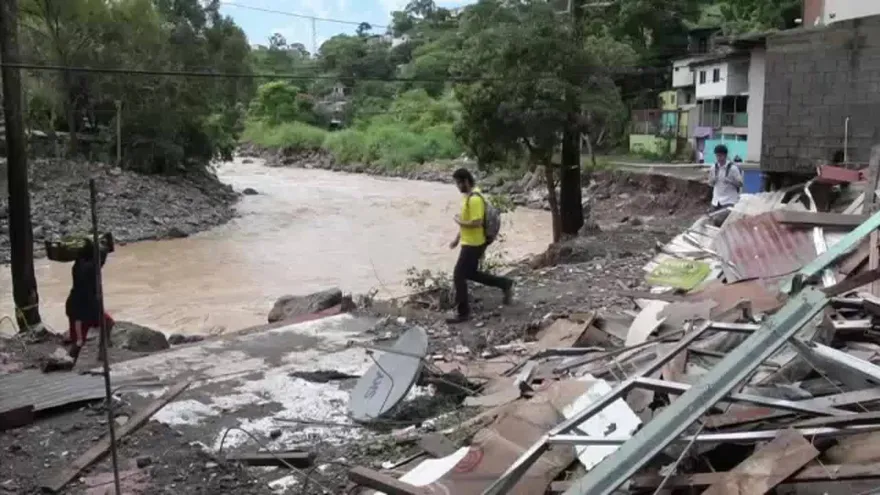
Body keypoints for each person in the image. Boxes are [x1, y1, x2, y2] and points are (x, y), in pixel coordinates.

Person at [447, 168, 514, 324]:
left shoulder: (475, 199)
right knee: (470, 273)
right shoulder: (467, 197)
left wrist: (458, 221)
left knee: (458, 275)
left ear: (466, 181)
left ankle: (463, 313)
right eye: (456, 183)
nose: (458, 186)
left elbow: (476, 222)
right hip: (468, 242)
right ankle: (505, 283)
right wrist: (457, 239)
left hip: (474, 243)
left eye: (459, 183)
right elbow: (467, 221)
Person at [65, 239, 114, 362]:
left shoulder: (78, 264)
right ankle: (67, 363)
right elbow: (100, 260)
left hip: (87, 307)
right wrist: (106, 249)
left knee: (108, 322)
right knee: (79, 342)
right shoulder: (88, 268)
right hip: (80, 311)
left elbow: (98, 261)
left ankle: (102, 352)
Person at [707, 144, 743, 227]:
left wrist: (731, 181)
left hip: (729, 201)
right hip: (716, 201)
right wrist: (713, 180)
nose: (718, 158)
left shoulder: (733, 168)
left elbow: (740, 183)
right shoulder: (714, 168)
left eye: (720, 156)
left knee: (719, 221)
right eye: (717, 156)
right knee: (710, 220)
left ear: (725, 155)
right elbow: (710, 183)